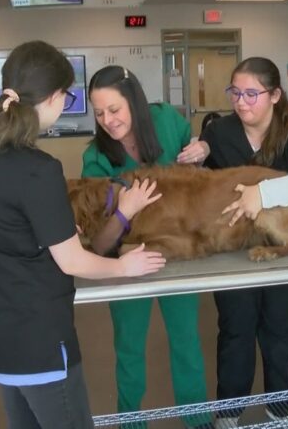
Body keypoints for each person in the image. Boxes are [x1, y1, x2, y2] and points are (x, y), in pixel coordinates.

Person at [0, 42, 166, 429]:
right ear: (52, 97)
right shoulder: (40, 169)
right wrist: (123, 266)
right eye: (68, 95)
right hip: (40, 343)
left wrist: (37, 236)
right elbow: (73, 261)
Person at [195, 56, 288, 428]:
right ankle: (228, 412)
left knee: (279, 330)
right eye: (235, 93)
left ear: (274, 95)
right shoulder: (220, 132)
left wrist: (263, 193)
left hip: (283, 250)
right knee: (235, 330)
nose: (241, 102)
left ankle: (281, 408)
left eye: (252, 94)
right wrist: (198, 155)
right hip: (234, 251)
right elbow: (203, 184)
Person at [81, 65, 211, 428]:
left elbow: (197, 149)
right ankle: (131, 423)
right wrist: (125, 212)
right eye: (99, 112)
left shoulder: (166, 120)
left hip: (176, 253)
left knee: (186, 343)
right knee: (129, 350)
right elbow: (98, 241)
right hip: (128, 263)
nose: (108, 120)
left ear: (134, 103)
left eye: (115, 109)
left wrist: (203, 147)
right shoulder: (96, 157)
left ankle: (197, 419)